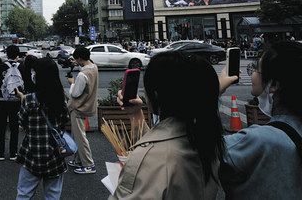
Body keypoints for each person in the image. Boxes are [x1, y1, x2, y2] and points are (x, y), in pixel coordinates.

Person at [111, 51, 224, 199]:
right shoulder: (207, 138)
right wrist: (135, 114)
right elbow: (165, 142)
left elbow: (158, 152)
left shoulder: (151, 159)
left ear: (156, 94)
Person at [218, 41, 302, 198]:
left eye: (256, 68)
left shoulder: (259, 140)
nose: (251, 74)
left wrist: (214, 91)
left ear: (274, 85)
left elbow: (201, 153)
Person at [16, 58, 69, 199]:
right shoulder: (61, 98)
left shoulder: (29, 100)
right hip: (55, 155)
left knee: (24, 194)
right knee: (53, 195)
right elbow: (65, 121)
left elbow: (21, 121)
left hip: (32, 154)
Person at [66, 46, 98, 175]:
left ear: (79, 58)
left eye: (76, 59)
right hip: (88, 105)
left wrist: (71, 83)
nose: (75, 61)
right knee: (78, 136)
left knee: (80, 137)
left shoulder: (82, 75)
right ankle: (79, 160)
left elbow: (75, 93)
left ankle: (89, 164)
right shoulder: (94, 67)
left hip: (78, 108)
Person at [0, 44, 23, 161]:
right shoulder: (22, 67)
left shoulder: (1, 67)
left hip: (3, 101)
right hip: (17, 100)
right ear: (18, 54)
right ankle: (13, 153)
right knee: (14, 126)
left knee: (1, 126)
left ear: (7, 54)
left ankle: (0, 153)